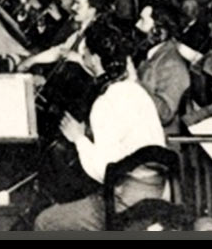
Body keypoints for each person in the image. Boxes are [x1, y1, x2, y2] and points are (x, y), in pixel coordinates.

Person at [34, 15, 167, 231]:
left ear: (95, 60)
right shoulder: (138, 92)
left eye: (84, 52)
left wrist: (77, 138)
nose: (82, 54)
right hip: (158, 190)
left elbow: (105, 170)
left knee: (45, 221)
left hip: (126, 201)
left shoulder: (105, 103)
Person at [135, 4, 191, 132]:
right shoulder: (152, 55)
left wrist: (135, 83)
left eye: (143, 21)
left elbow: (165, 114)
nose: (137, 25)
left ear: (159, 31)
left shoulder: (172, 64)